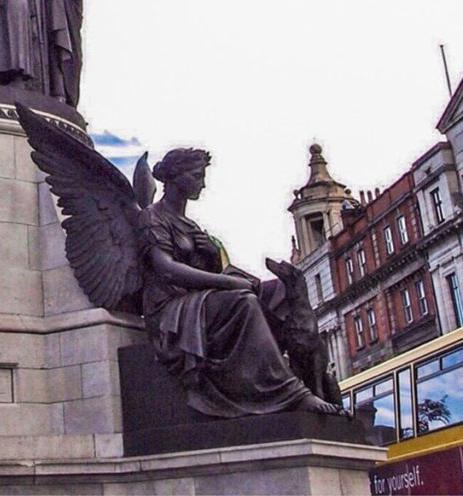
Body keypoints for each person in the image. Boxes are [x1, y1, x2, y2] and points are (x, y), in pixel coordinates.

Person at [137, 148, 344, 418]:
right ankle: (289, 393)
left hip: (199, 301)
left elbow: (205, 270)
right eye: (197, 176)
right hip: (171, 310)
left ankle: (309, 379)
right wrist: (226, 282)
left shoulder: (190, 224)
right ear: (175, 177)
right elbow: (167, 269)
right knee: (244, 301)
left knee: (280, 291)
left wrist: (212, 257)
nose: (203, 183)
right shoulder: (152, 217)